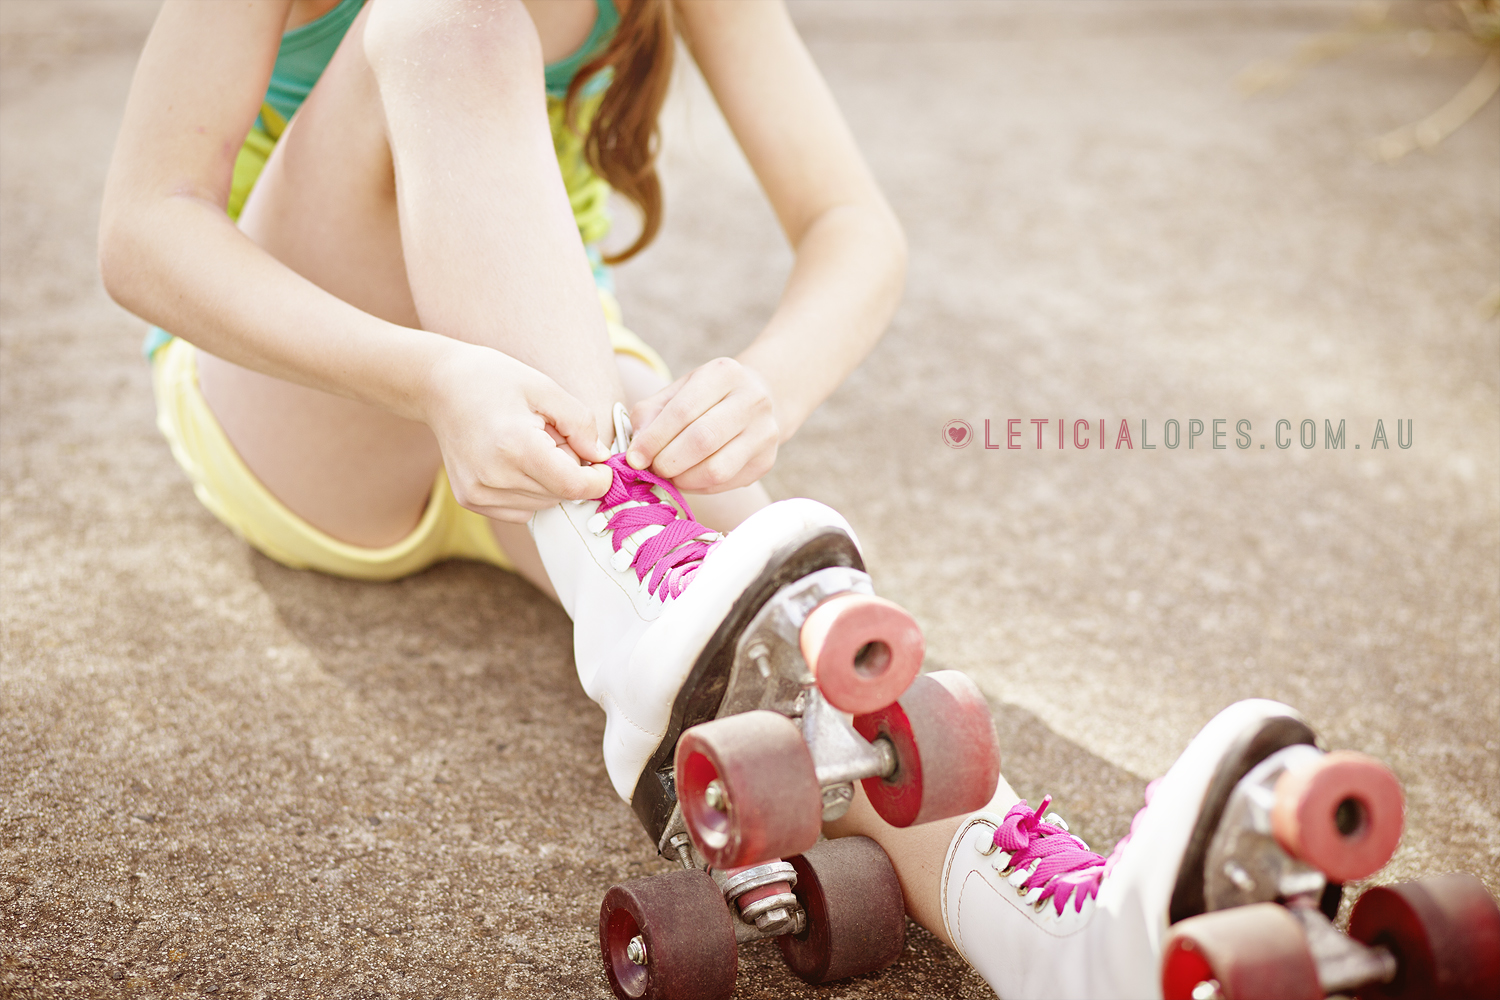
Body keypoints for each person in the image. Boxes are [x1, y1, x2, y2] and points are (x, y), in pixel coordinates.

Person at [99, 2, 1295, 997]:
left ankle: (1065, 938)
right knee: (447, 17)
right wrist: (432, 373)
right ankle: (631, 570)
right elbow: (143, 231)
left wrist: (767, 386)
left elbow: (851, 225)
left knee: (822, 627)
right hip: (318, 399)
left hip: (558, 409)